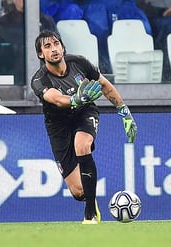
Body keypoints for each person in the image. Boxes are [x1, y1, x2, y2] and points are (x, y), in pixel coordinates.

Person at [31, 30, 137, 224]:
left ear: (62, 46)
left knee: (82, 144)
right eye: (47, 46)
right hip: (59, 127)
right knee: (79, 191)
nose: (54, 49)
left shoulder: (79, 63)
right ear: (40, 54)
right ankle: (89, 201)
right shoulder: (39, 80)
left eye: (56, 44)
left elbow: (105, 85)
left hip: (84, 114)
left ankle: (91, 215)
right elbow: (56, 98)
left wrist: (124, 112)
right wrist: (74, 99)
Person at [0, 0, 57, 85]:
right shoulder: (3, 23)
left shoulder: (46, 21)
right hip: (12, 76)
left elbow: (56, 48)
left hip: (44, 76)